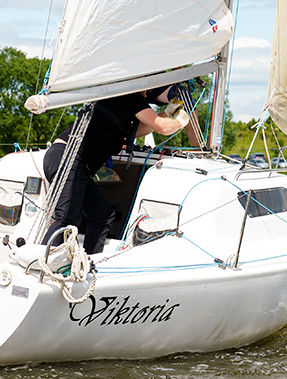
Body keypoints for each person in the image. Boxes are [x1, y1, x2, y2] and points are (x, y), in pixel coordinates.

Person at [41, 85, 192, 255]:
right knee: (67, 218)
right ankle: (42, 262)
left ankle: (90, 260)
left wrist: (169, 113)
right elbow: (162, 128)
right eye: (147, 90)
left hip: (70, 163)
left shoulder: (122, 108)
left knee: (103, 214)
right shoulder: (129, 95)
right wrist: (180, 121)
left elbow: (144, 128)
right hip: (67, 158)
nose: (147, 93)